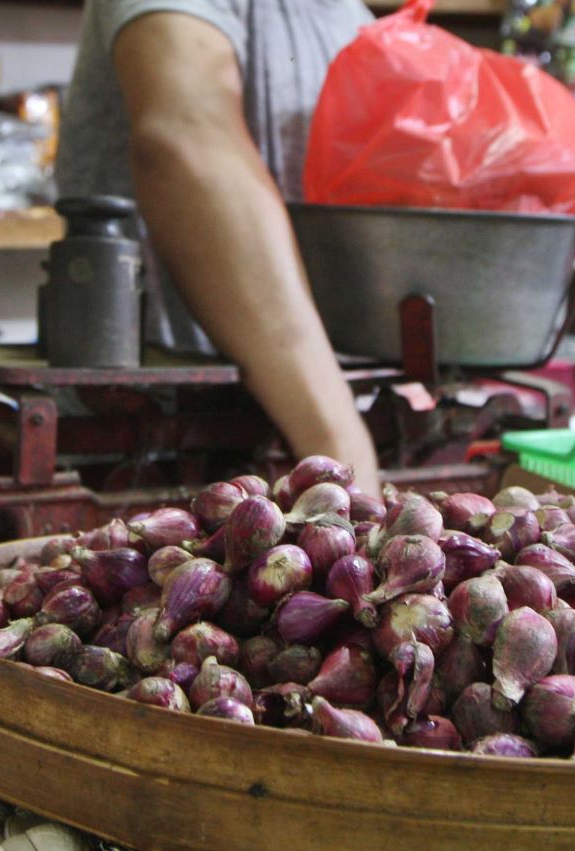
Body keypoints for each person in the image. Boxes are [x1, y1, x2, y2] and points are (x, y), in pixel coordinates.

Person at [56, 1, 381, 493]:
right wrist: (340, 448)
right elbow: (186, 137)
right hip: (156, 464)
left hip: (300, 454)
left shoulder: (351, 15)